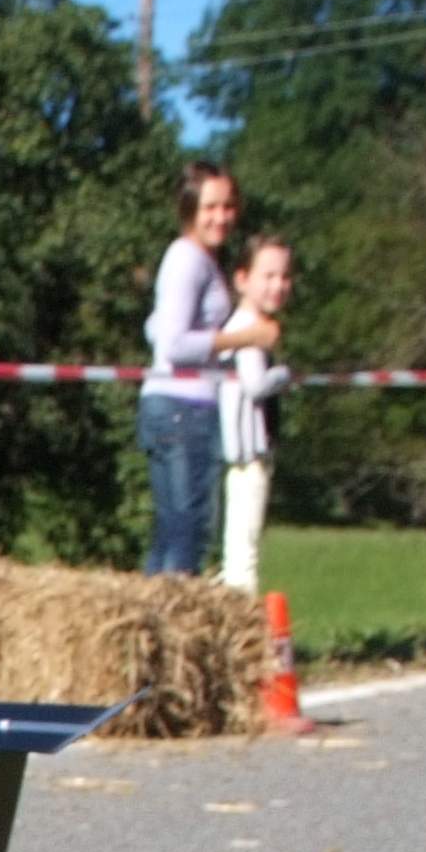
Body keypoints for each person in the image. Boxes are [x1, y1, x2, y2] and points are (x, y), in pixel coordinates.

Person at [142, 163, 283, 576]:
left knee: (172, 534)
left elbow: (155, 327)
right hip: (183, 410)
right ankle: (172, 618)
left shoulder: (197, 260)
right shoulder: (188, 260)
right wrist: (247, 337)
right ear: (189, 208)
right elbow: (174, 345)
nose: (221, 217)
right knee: (187, 536)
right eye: (210, 207)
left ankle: (151, 616)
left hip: (173, 407)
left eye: (228, 207)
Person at [215, 238, 293, 594]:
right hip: (248, 452)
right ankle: (243, 613)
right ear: (242, 279)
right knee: (244, 551)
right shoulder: (249, 328)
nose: (278, 285)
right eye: (268, 276)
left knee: (239, 543)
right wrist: (285, 376)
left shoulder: (241, 324)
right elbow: (256, 384)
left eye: (285, 276)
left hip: (242, 450)